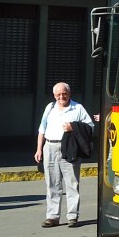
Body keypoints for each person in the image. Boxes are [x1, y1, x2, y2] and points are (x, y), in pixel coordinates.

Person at [34, 82, 94, 228]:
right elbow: (42, 129)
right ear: (54, 95)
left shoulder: (78, 108)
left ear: (69, 93)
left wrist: (73, 127)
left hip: (69, 148)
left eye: (64, 94)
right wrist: (39, 149)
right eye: (58, 95)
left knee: (72, 182)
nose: (61, 97)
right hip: (50, 146)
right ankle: (52, 216)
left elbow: (90, 127)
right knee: (52, 183)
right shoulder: (50, 107)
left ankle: (73, 216)